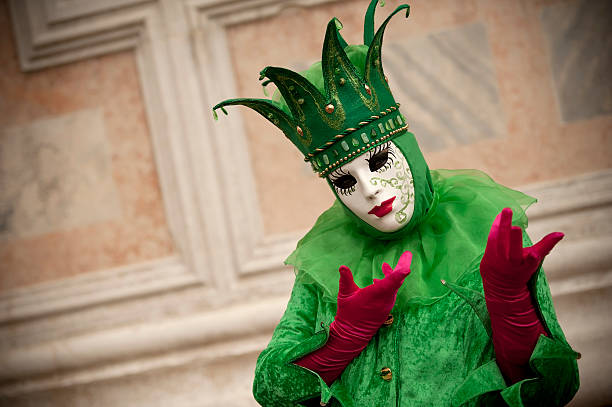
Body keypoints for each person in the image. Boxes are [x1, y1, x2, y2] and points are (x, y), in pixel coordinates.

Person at [213, 1, 580, 405]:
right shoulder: (326, 263)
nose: (368, 189)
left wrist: (511, 306)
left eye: (378, 161)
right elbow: (270, 390)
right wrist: (341, 339)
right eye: (344, 180)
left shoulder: (484, 237)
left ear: (410, 152)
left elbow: (555, 390)